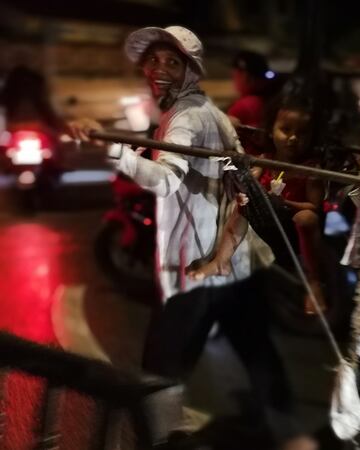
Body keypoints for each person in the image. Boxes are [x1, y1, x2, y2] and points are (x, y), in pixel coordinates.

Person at [68, 26, 315, 450]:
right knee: (256, 348)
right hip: (238, 257)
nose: (159, 69)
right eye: (154, 60)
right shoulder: (207, 113)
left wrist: (114, 150)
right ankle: (291, 435)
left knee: (159, 366)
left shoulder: (187, 116)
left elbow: (165, 181)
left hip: (202, 262)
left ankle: (160, 440)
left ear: (190, 71)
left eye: (172, 62)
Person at [187, 97, 327, 315]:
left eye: (302, 133)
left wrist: (285, 202)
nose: (293, 138)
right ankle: (220, 261)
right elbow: (246, 174)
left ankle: (314, 283)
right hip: (264, 222)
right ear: (271, 131)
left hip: (291, 227)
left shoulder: (310, 169)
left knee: (307, 217)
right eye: (286, 129)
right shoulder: (265, 160)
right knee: (243, 199)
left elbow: (314, 206)